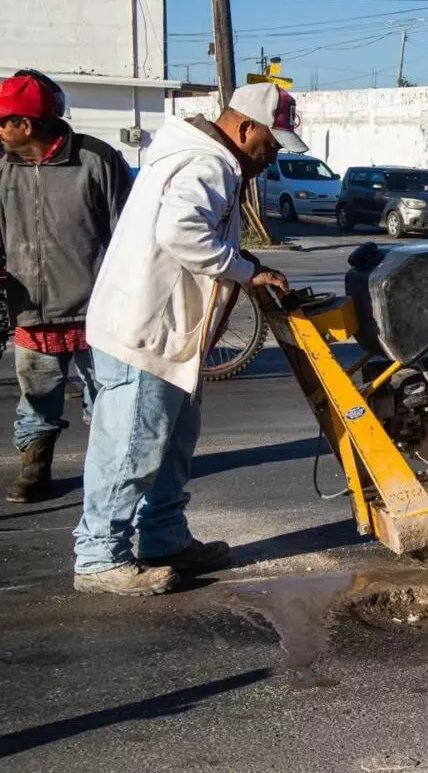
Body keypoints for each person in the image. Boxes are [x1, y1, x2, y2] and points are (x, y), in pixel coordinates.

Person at [73, 83, 301, 596]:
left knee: (171, 445)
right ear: (245, 128)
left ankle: (163, 538)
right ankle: (98, 557)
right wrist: (244, 270)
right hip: (146, 330)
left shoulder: (202, 157)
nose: (272, 156)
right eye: (271, 143)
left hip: (171, 336)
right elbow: (181, 232)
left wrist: (245, 269)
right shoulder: (208, 163)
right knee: (132, 448)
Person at [0, 72, 132, 504]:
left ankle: (108, 477)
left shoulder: (95, 159)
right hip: (32, 309)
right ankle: (34, 471)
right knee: (36, 402)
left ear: (26, 123)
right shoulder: (2, 166)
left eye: (3, 122)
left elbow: (127, 232)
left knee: (107, 403)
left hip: (98, 311)